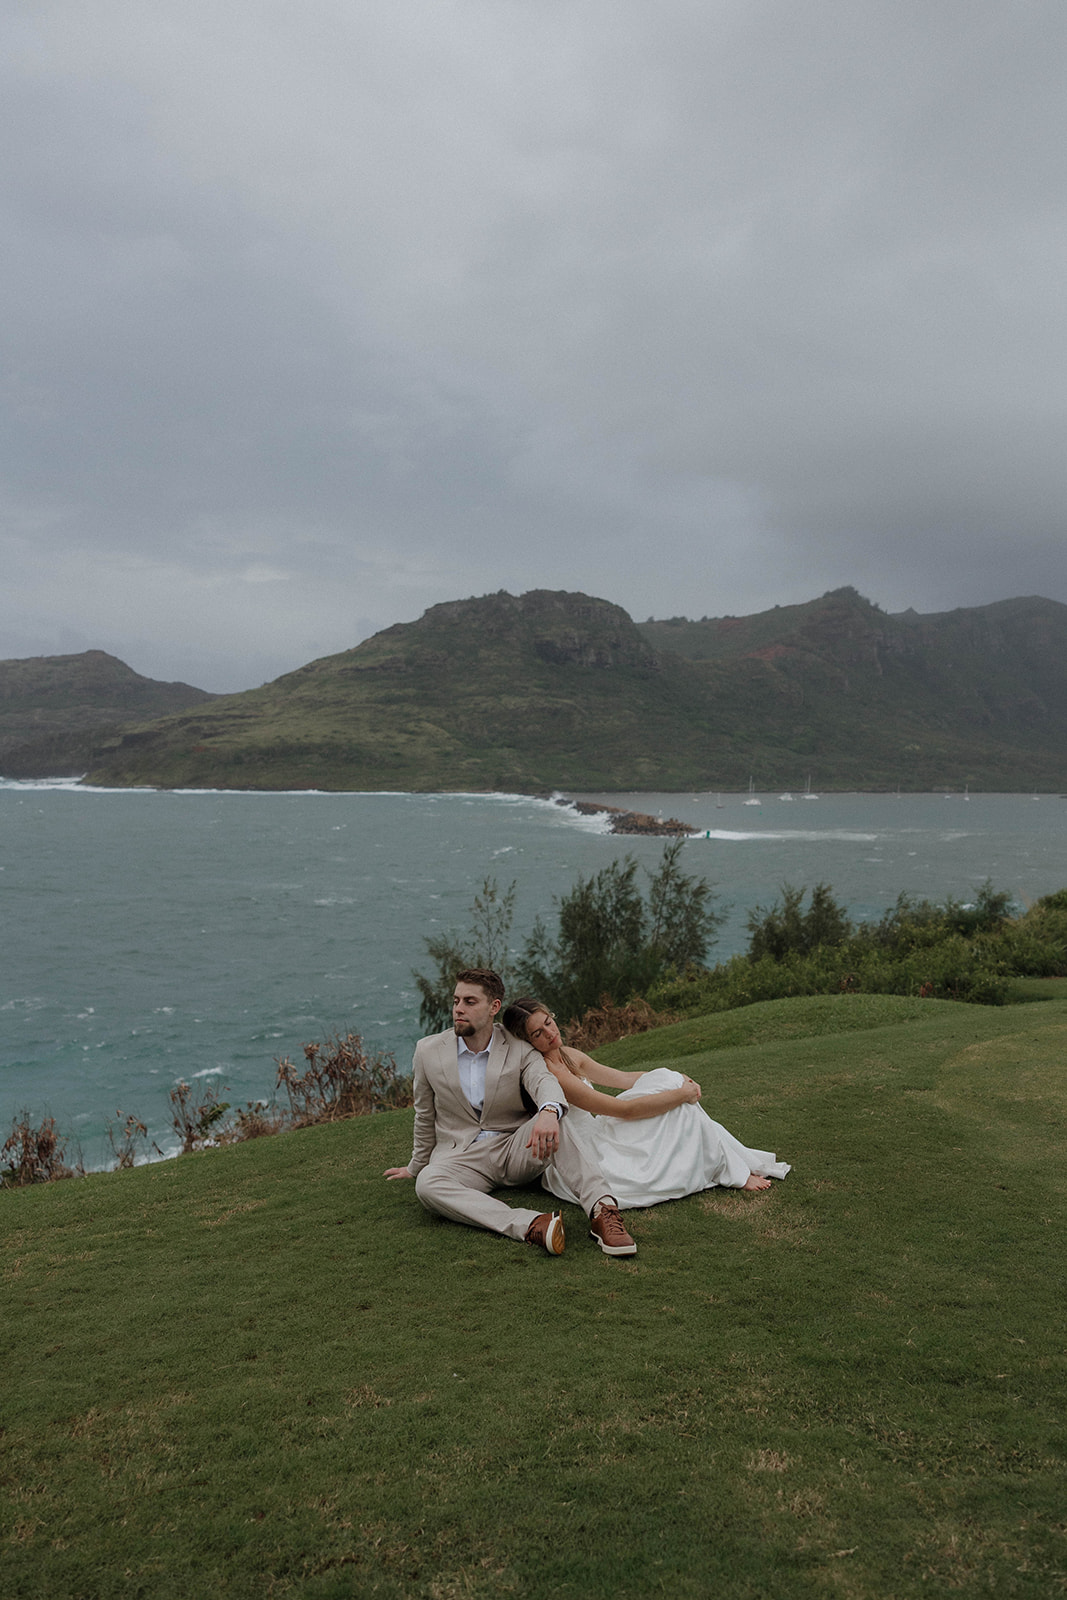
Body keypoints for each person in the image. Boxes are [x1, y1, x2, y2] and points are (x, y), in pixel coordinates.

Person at [384, 969, 638, 1256]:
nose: (458, 1009)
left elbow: (544, 1082)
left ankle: (603, 1211)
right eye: (456, 1001)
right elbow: (424, 1115)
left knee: (556, 1121)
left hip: (516, 1148)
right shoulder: (427, 1051)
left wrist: (548, 1112)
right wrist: (415, 1167)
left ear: (494, 1007)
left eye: (469, 1001)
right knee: (428, 1184)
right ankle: (532, 1224)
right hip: (462, 1159)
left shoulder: (518, 1047)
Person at [500, 996, 791, 1210]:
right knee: (681, 1106)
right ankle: (734, 1171)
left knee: (668, 1080)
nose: (551, 1034)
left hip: (602, 1131)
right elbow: (622, 1110)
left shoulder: (568, 1054)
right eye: (538, 1033)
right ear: (527, 1041)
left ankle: (732, 1166)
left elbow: (625, 1078)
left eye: (549, 1023)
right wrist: (679, 1094)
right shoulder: (552, 1075)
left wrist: (677, 1080)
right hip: (591, 1153)